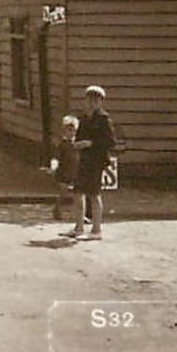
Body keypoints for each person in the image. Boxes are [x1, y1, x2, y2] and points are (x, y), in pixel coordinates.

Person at [65, 85, 117, 240]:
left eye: (96, 99)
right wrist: (76, 143)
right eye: (90, 99)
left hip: (96, 160)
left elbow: (110, 142)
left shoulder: (103, 119)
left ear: (101, 101)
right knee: (78, 192)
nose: (92, 103)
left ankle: (96, 229)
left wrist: (91, 143)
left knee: (94, 194)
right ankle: (79, 227)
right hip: (84, 159)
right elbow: (79, 137)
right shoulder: (84, 118)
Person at [49, 114, 81, 220]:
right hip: (64, 171)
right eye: (69, 130)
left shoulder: (77, 144)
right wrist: (54, 165)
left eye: (73, 131)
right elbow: (56, 156)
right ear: (64, 131)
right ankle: (57, 209)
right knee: (63, 193)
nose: (71, 133)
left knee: (78, 194)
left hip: (75, 171)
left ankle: (80, 214)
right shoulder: (62, 145)